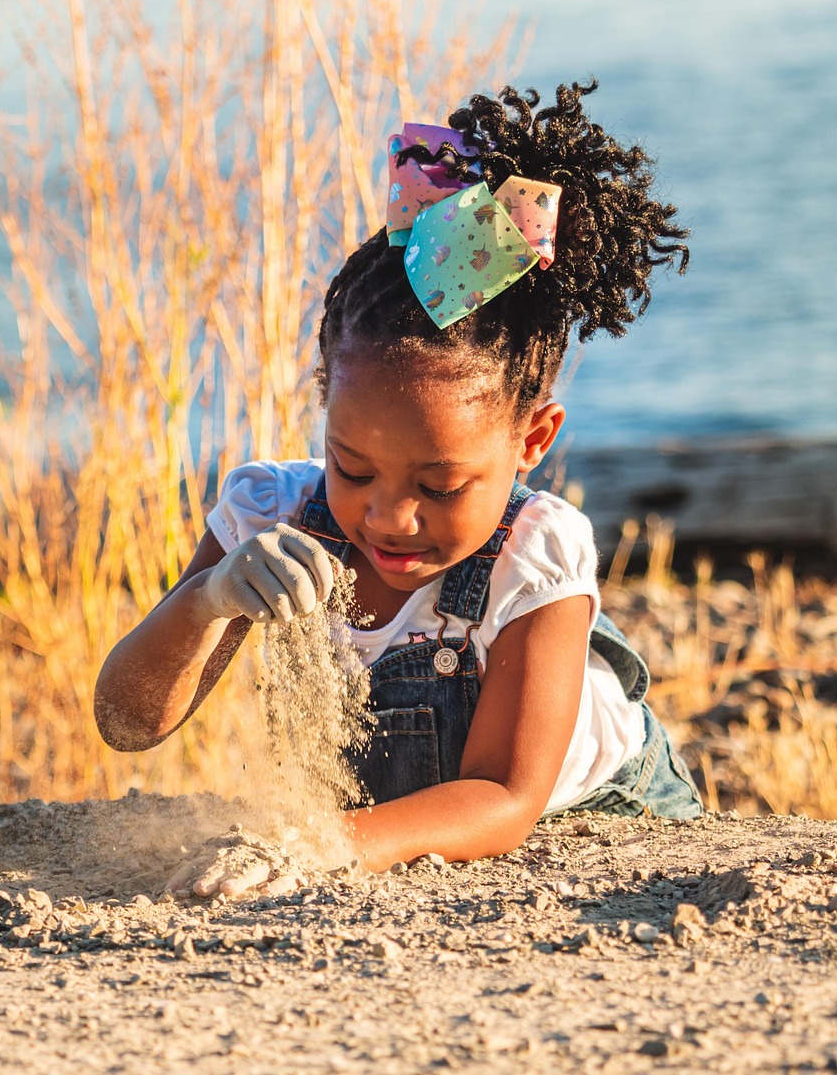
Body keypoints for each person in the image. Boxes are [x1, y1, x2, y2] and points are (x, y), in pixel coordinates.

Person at [94, 80, 702, 888]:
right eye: (351, 467)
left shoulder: (533, 558)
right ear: (322, 400)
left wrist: (315, 847)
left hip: (598, 816)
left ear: (533, 439)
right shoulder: (270, 513)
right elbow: (126, 724)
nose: (389, 514)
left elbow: (504, 796)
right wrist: (209, 597)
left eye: (441, 485)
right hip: (385, 825)